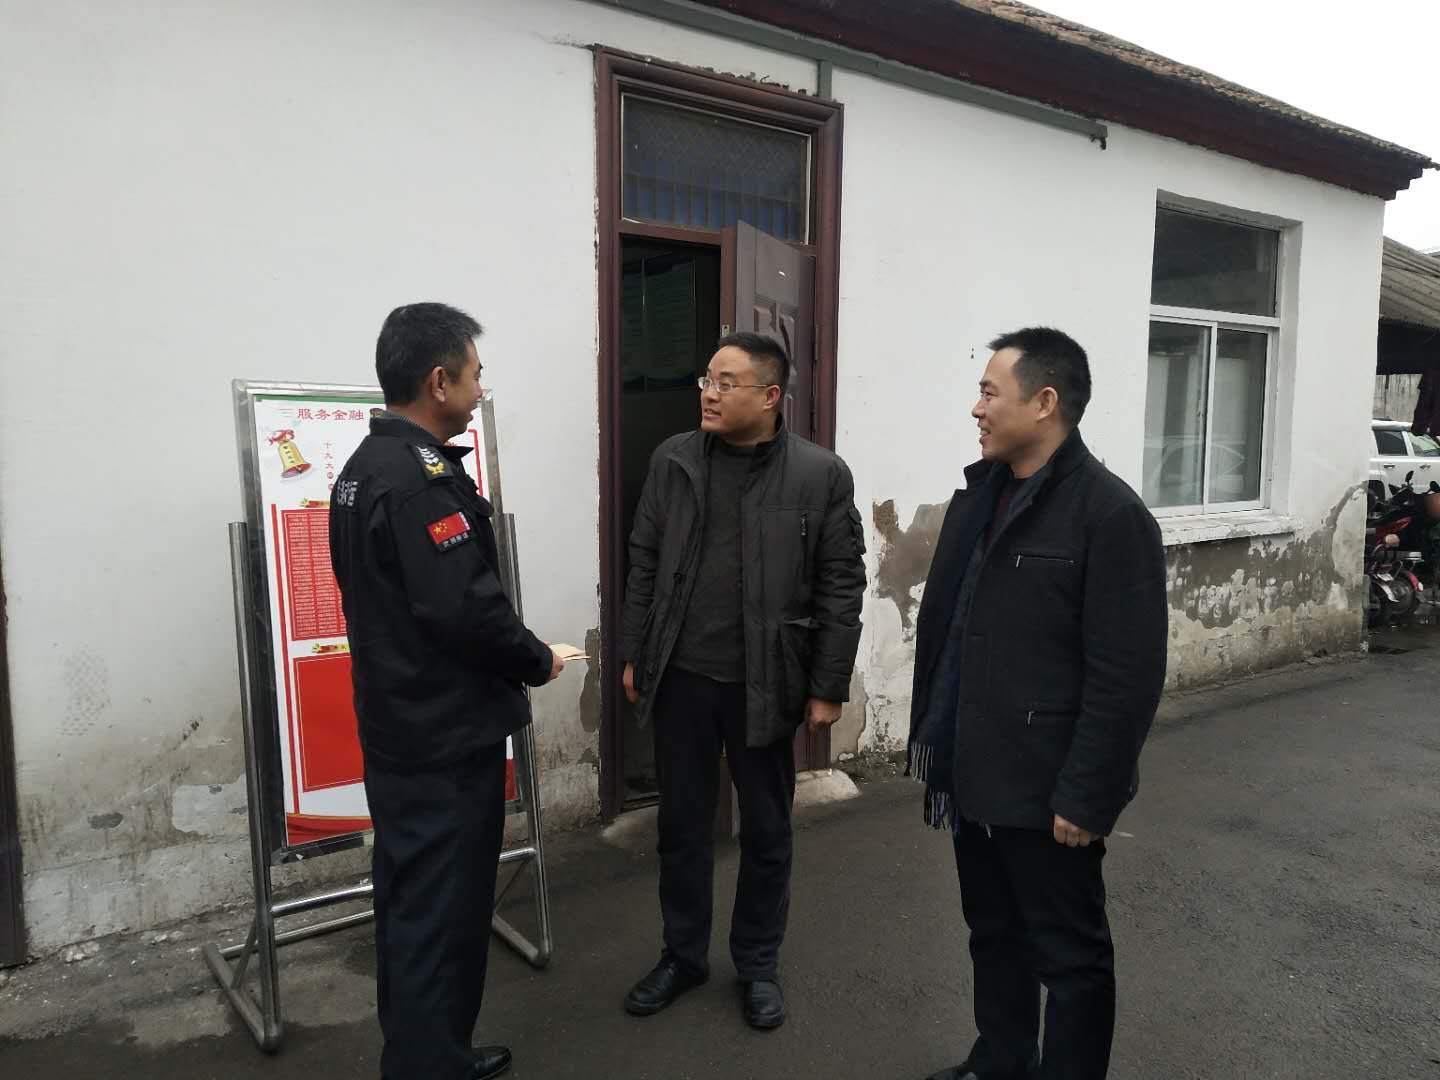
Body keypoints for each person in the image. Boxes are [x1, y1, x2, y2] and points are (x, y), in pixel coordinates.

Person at [908, 328, 1167, 1080]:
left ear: (1045, 402)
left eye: (990, 393)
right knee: (993, 933)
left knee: (1071, 959)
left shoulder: (1109, 514)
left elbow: (1126, 675)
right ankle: (1002, 1060)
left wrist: (1088, 794)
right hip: (975, 765)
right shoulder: (982, 496)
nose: (977, 409)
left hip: (1047, 785)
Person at [330, 302, 566, 1080]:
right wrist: (536, 659)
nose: (479, 387)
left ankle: (426, 1056)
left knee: (411, 905)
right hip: (443, 738)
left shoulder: (363, 469)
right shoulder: (417, 481)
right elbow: (464, 609)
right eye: (474, 373)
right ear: (439, 380)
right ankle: (432, 1066)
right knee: (444, 912)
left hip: (401, 729)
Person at [619, 331, 866, 1030]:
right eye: (707, 379)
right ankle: (682, 956)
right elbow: (644, 559)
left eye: (727, 382)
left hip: (767, 680)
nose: (709, 392)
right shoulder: (673, 460)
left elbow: (841, 583)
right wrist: (636, 652)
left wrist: (828, 685)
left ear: (770, 396)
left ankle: (757, 963)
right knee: (681, 826)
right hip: (683, 676)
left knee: (766, 830)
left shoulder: (819, 475)